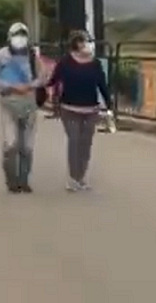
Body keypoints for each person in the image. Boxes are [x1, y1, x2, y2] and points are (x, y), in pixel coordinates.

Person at [47, 30, 112, 192]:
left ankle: (81, 176)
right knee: (74, 140)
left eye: (88, 41)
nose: (87, 44)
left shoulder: (95, 63)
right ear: (75, 44)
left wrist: (109, 105)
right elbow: (53, 80)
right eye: (83, 41)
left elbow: (102, 84)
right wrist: (47, 89)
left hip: (91, 109)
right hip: (69, 108)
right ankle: (73, 178)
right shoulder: (65, 62)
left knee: (86, 143)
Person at [0, 23, 47, 194]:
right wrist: (11, 87)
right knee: (11, 143)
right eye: (16, 34)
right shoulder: (0, 56)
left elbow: (43, 76)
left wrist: (30, 85)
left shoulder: (33, 55)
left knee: (27, 146)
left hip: (29, 103)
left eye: (22, 34)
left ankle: (24, 180)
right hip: (8, 103)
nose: (19, 38)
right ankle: (11, 181)